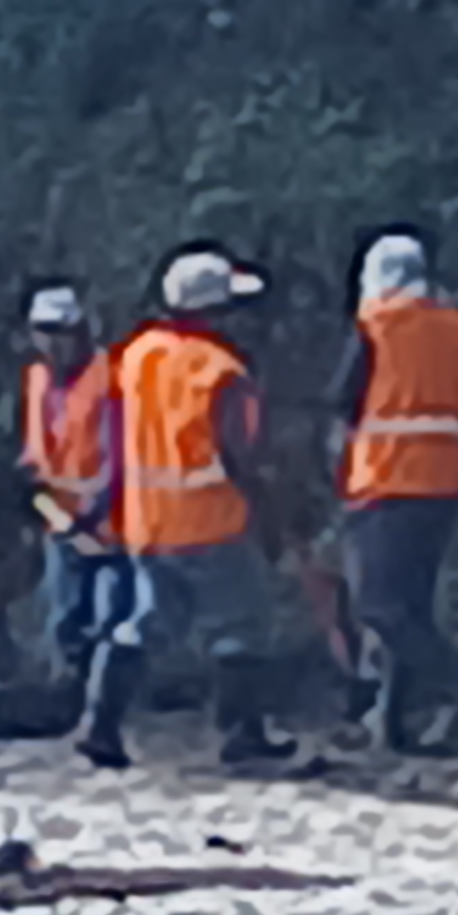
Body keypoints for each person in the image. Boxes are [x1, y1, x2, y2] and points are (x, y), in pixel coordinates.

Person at [76, 245, 295, 774]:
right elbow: (238, 452)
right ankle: (241, 734)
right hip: (210, 519)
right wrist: (269, 511)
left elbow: (110, 437)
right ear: (216, 310)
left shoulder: (135, 356)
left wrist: (100, 506)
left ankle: (99, 725)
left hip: (147, 521)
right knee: (240, 625)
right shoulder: (220, 369)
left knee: (145, 622)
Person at [328, 230, 458, 752]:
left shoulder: (376, 327)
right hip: (444, 484)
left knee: (378, 605)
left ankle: (454, 676)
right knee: (412, 603)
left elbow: (344, 400)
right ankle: (392, 723)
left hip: (384, 481)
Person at [15, 283, 119, 691]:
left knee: (107, 609)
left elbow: (121, 448)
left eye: (60, 331)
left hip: (107, 514)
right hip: (57, 513)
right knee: (63, 609)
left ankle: (103, 693)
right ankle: (67, 689)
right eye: (44, 331)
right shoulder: (38, 378)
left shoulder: (108, 375)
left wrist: (98, 499)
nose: (52, 341)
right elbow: (35, 450)